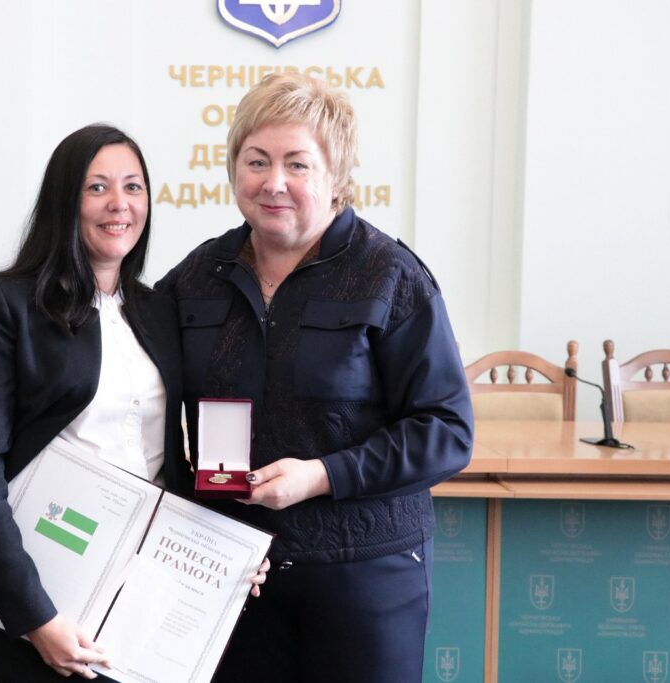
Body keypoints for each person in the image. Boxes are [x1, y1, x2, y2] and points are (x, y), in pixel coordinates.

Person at [156, 73, 474, 682]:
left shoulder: (391, 275)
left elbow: (447, 431)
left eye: (297, 164)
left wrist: (323, 475)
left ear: (337, 176)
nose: (273, 182)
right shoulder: (198, 276)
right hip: (232, 574)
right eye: (256, 161)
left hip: (365, 580)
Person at [0, 124, 213, 681]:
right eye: (97, 187)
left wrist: (222, 554)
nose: (120, 204)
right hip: (43, 593)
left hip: (140, 597)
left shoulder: (158, 311)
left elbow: (173, 465)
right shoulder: (4, 306)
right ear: (64, 201)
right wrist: (35, 618)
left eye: (133, 187)